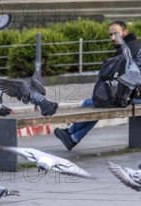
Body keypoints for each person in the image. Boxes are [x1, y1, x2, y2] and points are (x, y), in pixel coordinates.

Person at [54, 21, 141, 151]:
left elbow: (120, 82)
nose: (112, 38)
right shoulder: (134, 46)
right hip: (135, 94)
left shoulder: (126, 50)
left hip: (137, 97)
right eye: (110, 35)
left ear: (125, 32)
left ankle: (71, 135)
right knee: (99, 102)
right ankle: (72, 137)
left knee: (96, 102)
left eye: (116, 34)